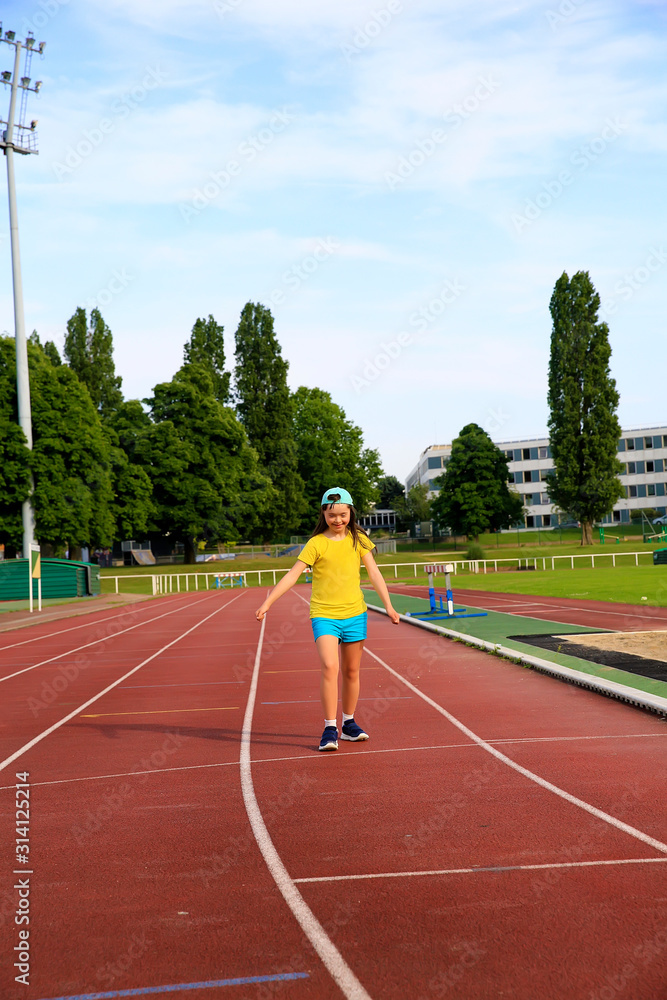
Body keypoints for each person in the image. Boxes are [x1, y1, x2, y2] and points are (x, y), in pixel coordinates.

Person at [255, 487, 401, 751]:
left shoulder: (359, 539)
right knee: (330, 667)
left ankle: (349, 724)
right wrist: (267, 602)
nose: (338, 520)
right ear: (323, 513)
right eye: (332, 515)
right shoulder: (316, 543)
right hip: (324, 615)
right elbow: (293, 575)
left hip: (355, 613)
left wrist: (389, 606)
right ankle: (329, 727)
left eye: (343, 515)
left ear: (351, 513)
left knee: (351, 671)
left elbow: (374, 573)